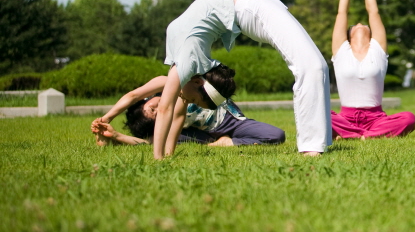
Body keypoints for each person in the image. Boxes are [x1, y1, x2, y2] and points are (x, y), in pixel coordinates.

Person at [153, 0, 331, 159]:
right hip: (251, 6)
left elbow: (165, 108)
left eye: (193, 101)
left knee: (313, 66)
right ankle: (314, 144)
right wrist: (167, 155)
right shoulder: (190, 68)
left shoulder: (188, 60)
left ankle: (312, 146)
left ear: (199, 83)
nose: (187, 101)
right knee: (315, 65)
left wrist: (158, 158)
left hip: (252, 7)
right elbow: (177, 114)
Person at [329, 0, 415, 139]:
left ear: (371, 33)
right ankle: (366, 135)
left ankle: (354, 134)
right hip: (345, 117)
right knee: (320, 113)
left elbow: (373, 12)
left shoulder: (377, 49)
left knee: (408, 118)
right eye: (355, 24)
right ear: (348, 35)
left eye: (364, 24)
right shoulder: (341, 51)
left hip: (376, 118)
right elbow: (341, 12)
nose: (360, 23)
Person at [91, 75, 285, 147]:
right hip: (204, 135)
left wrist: (107, 117)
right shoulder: (167, 118)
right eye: (156, 116)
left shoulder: (168, 82)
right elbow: (151, 141)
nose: (159, 109)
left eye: (152, 107)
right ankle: (116, 139)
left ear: (147, 100)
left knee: (276, 136)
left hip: (230, 120)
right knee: (162, 139)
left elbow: (132, 95)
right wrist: (116, 134)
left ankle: (227, 142)